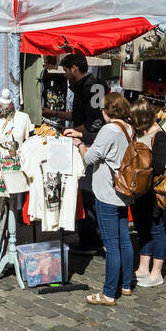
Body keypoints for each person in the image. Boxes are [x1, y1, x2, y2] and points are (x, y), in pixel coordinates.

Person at [68, 91, 134, 307]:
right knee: (124, 239)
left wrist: (79, 145)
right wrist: (83, 138)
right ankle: (125, 285)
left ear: (107, 112)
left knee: (111, 245)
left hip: (107, 191)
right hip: (123, 191)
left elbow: (89, 158)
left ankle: (108, 293)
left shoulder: (108, 129)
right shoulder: (128, 128)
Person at [43, 52, 107, 254]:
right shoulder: (84, 87)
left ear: (73, 68)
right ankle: (91, 238)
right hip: (84, 141)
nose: (65, 75)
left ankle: (92, 241)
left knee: (88, 192)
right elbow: (79, 116)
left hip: (90, 145)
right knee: (86, 192)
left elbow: (95, 123)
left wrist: (75, 133)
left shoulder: (93, 87)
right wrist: (53, 114)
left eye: (65, 70)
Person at [128, 99, 166, 288]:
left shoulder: (159, 135)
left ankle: (157, 271)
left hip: (152, 190)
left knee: (156, 228)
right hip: (138, 189)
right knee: (142, 227)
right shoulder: (138, 132)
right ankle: (143, 266)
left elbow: (158, 167)